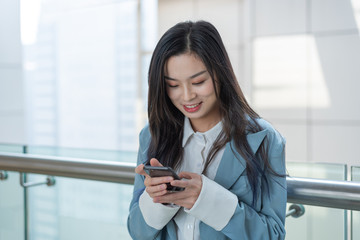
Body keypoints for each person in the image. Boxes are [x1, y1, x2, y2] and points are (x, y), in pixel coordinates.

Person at [127, 20, 287, 240]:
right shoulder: (154, 134)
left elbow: (273, 234)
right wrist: (158, 200)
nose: (187, 95)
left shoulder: (263, 139)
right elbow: (137, 232)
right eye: (173, 85)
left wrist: (206, 199)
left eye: (198, 81)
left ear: (220, 74)